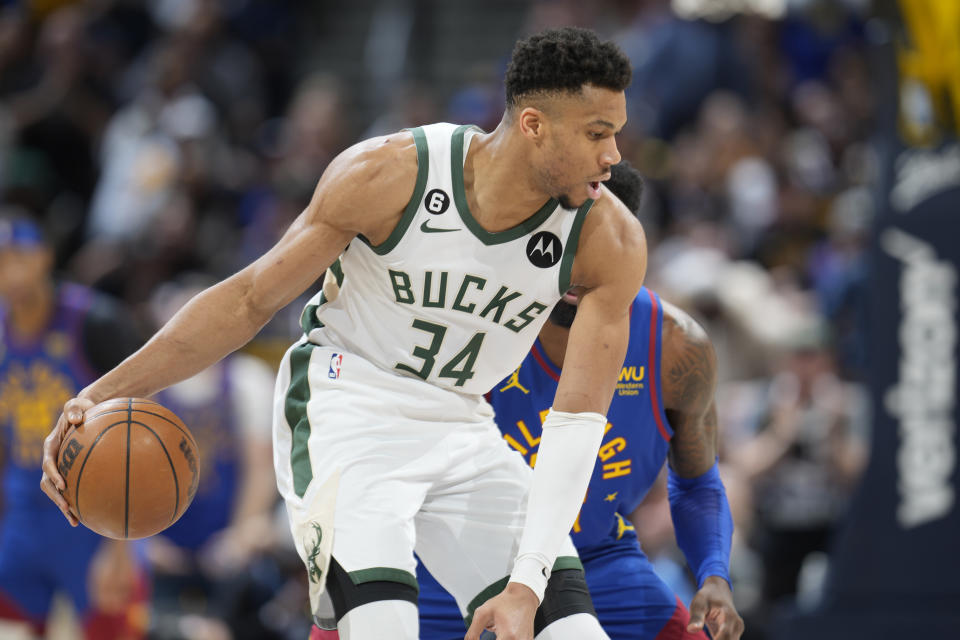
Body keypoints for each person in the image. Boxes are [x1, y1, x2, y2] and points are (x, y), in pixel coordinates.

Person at [41, 27, 644, 640]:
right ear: (534, 124)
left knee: (571, 634)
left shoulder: (608, 239)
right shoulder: (391, 175)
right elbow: (249, 300)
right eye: (598, 133)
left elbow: (577, 423)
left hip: (464, 425)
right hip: (346, 407)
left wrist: (527, 581)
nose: (614, 155)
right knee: (380, 627)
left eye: (616, 132)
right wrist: (99, 393)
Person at [416, 161, 744, 640]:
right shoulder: (470, 326)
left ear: (631, 247)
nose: (580, 262)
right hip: (458, 566)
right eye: (567, 240)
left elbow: (697, 483)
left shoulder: (675, 346)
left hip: (597, 563)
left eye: (600, 244)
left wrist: (714, 574)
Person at [0, 214, 148, 639]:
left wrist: (122, 546)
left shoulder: (96, 322)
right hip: (23, 519)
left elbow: (136, 439)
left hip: (94, 519)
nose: (9, 272)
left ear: (45, 257)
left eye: (19, 258)